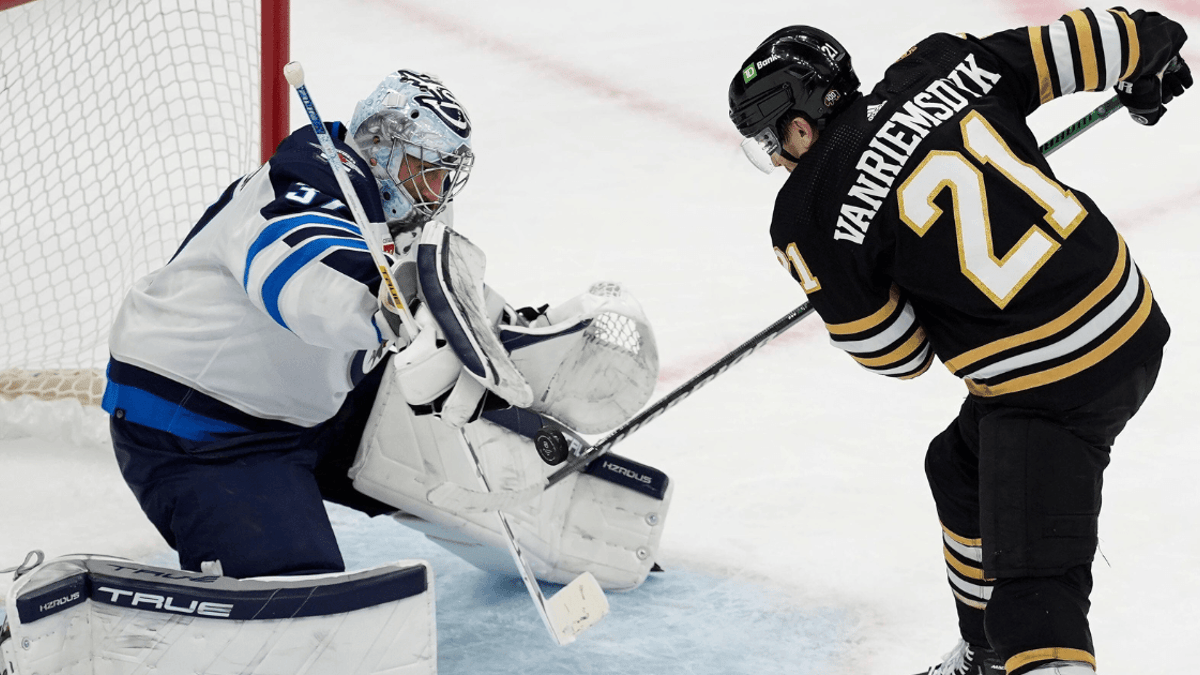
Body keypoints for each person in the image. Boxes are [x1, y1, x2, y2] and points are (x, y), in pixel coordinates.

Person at [728, 9, 1189, 675]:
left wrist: (899, 270)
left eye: (771, 139)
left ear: (799, 124)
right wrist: (1153, 64)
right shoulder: (940, 62)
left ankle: (1012, 649)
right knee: (957, 466)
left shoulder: (805, 214)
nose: (774, 158)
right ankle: (983, 656)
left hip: (1046, 385)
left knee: (1034, 593)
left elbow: (898, 354)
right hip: (1128, 314)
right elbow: (1097, 40)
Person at [103, 68, 477, 579]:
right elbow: (299, 272)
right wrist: (393, 305)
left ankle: (520, 495)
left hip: (304, 399)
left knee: (453, 425)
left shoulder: (406, 210)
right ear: (381, 145)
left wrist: (484, 341)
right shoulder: (306, 179)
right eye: (425, 169)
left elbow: (432, 292)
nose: (435, 189)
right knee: (299, 593)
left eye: (444, 173)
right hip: (200, 424)